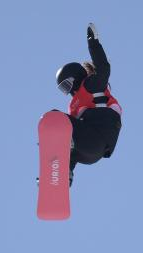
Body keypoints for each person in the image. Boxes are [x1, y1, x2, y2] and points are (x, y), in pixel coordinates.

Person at [55, 23, 122, 186]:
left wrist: (93, 42)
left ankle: (63, 154)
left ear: (75, 77)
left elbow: (103, 68)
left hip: (99, 132)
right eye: (63, 89)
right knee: (69, 152)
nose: (68, 91)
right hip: (92, 153)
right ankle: (64, 176)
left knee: (55, 117)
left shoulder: (91, 85)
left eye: (66, 85)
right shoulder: (74, 106)